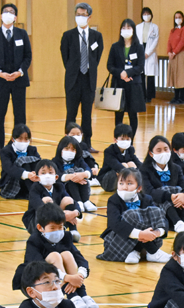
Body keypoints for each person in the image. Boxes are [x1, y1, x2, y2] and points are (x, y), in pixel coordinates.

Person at [13, 203, 98, 308]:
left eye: (60, 227)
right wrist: (66, 277)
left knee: (67, 254)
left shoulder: (66, 237)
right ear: (40, 228)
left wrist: (79, 276)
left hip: (58, 281)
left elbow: (80, 259)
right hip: (36, 283)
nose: (57, 231)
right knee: (55, 255)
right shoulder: (34, 240)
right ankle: (71, 296)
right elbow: (37, 268)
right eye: (52, 228)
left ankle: (82, 295)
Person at [96, 168, 171, 264]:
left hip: (148, 238)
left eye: (129, 183)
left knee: (156, 210)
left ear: (139, 188)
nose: (124, 187)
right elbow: (115, 224)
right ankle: (153, 252)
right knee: (131, 214)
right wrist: (140, 234)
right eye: (121, 183)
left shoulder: (147, 199)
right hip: (118, 240)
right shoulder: (113, 200)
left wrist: (156, 233)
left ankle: (137, 251)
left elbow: (160, 218)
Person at [0, 3, 32, 154]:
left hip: (19, 80)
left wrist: (20, 72)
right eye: (5, 12)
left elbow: (28, 56)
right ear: (0, 16)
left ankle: (20, 142)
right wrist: (0, 72)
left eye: (11, 12)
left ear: (15, 17)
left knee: (20, 113)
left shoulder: (22, 34)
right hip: (0, 80)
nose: (8, 14)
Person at [61, 3, 104, 152]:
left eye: (83, 15)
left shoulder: (96, 36)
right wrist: (75, 69)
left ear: (89, 17)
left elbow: (96, 58)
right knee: (71, 113)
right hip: (73, 80)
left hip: (88, 80)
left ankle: (87, 143)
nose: (80, 17)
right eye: (77, 14)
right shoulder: (68, 35)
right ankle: (68, 143)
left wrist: (87, 68)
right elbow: (65, 58)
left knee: (87, 114)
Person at [140, 136, 184, 234]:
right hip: (155, 208)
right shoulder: (144, 170)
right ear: (151, 153)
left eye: (166, 149)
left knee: (180, 191)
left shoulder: (176, 168)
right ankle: (177, 222)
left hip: (177, 207)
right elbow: (149, 192)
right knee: (165, 193)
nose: (163, 153)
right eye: (159, 150)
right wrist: (170, 196)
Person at [107, 19, 146, 136]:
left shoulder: (139, 47)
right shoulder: (115, 47)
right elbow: (110, 65)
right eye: (123, 28)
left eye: (129, 28)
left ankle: (131, 141)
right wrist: (121, 74)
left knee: (132, 114)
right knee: (118, 114)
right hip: (118, 84)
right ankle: (119, 139)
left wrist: (128, 73)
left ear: (133, 30)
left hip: (134, 84)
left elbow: (140, 67)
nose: (126, 30)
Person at [22, 159, 78, 237]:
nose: (47, 175)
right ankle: (45, 231)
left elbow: (74, 202)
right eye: (43, 173)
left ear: (56, 177)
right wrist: (62, 215)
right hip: (36, 221)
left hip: (56, 219)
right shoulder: (35, 188)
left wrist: (75, 213)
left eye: (50, 173)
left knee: (67, 200)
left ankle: (73, 231)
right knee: (47, 200)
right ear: (37, 177)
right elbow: (39, 207)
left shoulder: (59, 186)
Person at [52, 137, 96, 214]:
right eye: (67, 148)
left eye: (73, 150)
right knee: (71, 181)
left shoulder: (79, 160)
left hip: (80, 186)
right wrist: (70, 177)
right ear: (60, 149)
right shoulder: (54, 161)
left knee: (83, 179)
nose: (70, 152)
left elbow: (88, 169)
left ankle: (86, 201)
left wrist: (83, 174)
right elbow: (56, 176)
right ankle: (78, 202)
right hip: (64, 189)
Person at [0, 124, 40, 199]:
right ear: (13, 139)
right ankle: (34, 193)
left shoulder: (32, 150)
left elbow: (39, 164)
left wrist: (34, 173)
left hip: (29, 182)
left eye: (26, 139)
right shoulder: (6, 151)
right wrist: (27, 174)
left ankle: (35, 191)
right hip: (11, 182)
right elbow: (9, 168)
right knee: (23, 161)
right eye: (20, 139)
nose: (23, 142)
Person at [99, 124, 141, 192]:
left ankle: (135, 186)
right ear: (115, 140)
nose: (125, 141)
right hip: (108, 181)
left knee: (132, 164)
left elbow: (138, 163)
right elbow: (117, 166)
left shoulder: (130, 150)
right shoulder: (109, 151)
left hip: (124, 178)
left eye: (128, 139)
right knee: (124, 165)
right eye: (122, 139)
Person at [137, 8, 159, 104]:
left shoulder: (155, 27)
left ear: (151, 15)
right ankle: (141, 95)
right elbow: (136, 40)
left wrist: (147, 53)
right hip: (140, 49)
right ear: (142, 15)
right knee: (141, 74)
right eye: (144, 14)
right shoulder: (138, 27)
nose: (146, 15)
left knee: (150, 75)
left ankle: (149, 96)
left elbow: (155, 41)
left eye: (148, 13)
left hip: (150, 51)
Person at [167, 11, 184, 104]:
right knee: (174, 75)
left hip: (181, 54)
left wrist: (174, 52)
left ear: (183, 18)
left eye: (179, 17)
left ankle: (182, 97)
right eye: (176, 17)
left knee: (181, 75)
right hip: (173, 55)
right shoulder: (173, 30)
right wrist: (169, 52)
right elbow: (169, 41)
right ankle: (176, 96)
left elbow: (183, 41)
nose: (177, 19)